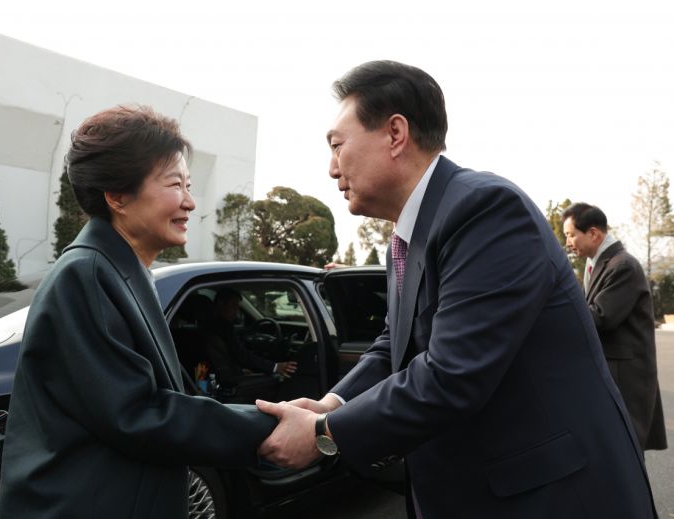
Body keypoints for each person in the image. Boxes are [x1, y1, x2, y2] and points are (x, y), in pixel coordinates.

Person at [256, 61, 658, 518]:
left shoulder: (485, 210)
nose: (331, 169)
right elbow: (393, 347)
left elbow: (452, 373)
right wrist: (330, 403)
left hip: (549, 497)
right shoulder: (405, 240)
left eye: (337, 146)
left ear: (395, 134)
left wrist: (325, 432)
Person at [0, 105, 275, 519]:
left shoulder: (119, 268)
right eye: (175, 184)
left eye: (189, 185)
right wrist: (270, 426)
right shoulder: (86, 274)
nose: (190, 201)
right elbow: (136, 413)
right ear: (117, 196)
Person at [563, 202, 667, 451]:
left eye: (571, 235)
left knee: (624, 450)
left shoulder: (622, 266)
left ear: (593, 233)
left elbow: (601, 317)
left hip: (625, 378)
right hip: (614, 374)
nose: (567, 243)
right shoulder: (599, 264)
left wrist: (557, 305)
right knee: (616, 451)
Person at [203, 287, 298, 380]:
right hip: (230, 382)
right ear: (221, 304)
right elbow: (241, 355)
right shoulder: (222, 328)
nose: (236, 312)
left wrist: (240, 370)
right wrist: (275, 367)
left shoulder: (208, 327)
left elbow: (231, 357)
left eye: (238, 308)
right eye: (233, 307)